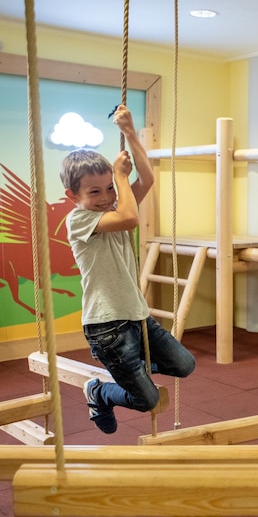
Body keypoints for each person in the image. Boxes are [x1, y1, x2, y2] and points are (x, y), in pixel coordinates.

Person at [60, 105, 195, 433]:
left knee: (183, 364)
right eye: (95, 192)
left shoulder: (115, 206)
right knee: (147, 399)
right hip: (108, 327)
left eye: (109, 188)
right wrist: (120, 177)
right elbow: (130, 218)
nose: (107, 197)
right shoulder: (78, 220)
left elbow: (147, 179)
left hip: (137, 316)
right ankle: (101, 391)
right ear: (72, 196)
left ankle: (129, 368)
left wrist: (131, 133)